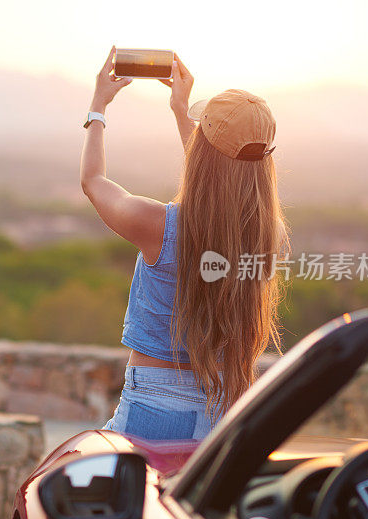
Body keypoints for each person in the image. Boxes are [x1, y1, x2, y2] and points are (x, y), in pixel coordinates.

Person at [80, 47, 287, 441]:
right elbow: (223, 182)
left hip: (154, 408)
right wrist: (181, 112)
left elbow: (93, 181)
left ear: (202, 152)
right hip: (225, 414)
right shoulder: (269, 236)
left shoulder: (157, 225)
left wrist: (98, 107)